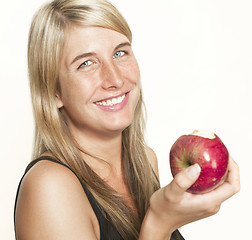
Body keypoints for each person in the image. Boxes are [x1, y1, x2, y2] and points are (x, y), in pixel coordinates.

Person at [14, 0, 240, 239]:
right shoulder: (50, 187)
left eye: (119, 53)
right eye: (86, 63)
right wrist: (159, 222)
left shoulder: (144, 161)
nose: (115, 79)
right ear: (53, 91)